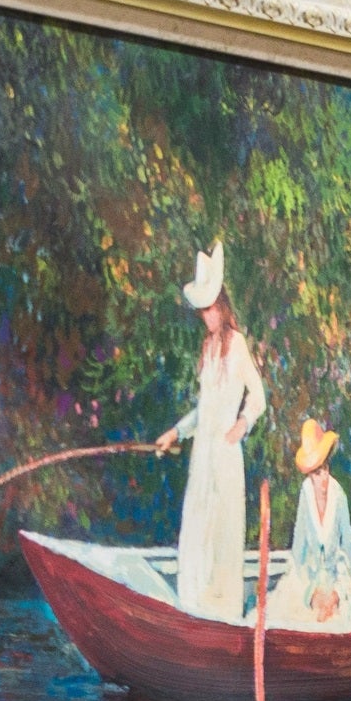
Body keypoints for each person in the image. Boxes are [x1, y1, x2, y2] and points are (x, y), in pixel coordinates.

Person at [154, 241, 266, 621]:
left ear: (222, 305)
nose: (207, 316)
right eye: (202, 311)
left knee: (223, 529)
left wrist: (242, 424)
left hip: (225, 451)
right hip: (203, 452)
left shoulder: (237, 345)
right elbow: (203, 410)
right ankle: (195, 608)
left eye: (211, 308)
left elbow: (258, 396)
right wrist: (176, 432)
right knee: (198, 525)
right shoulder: (206, 349)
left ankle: (223, 612)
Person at [267, 419, 351, 628]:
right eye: (316, 473)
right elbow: (299, 552)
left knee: (340, 623)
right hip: (308, 583)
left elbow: (348, 552)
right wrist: (311, 594)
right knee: (294, 620)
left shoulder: (338, 496)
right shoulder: (305, 493)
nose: (323, 477)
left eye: (325, 469)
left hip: (335, 582)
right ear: (309, 475)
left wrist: (336, 594)